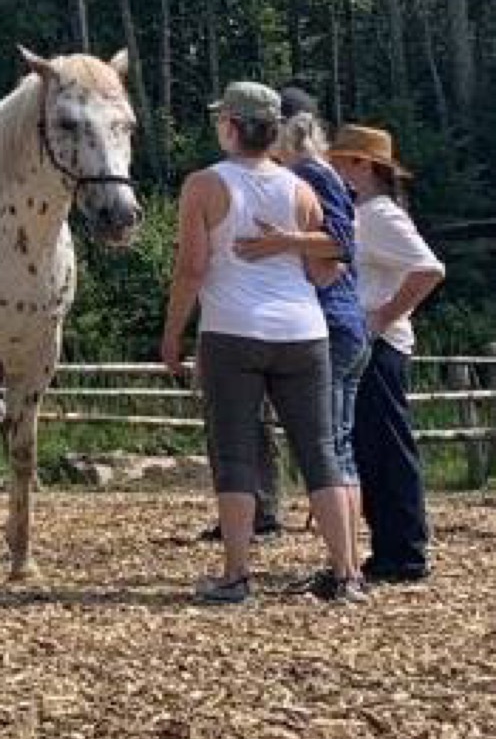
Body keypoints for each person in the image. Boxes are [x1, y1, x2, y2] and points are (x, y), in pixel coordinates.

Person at [161, 80, 361, 604]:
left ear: (230, 126)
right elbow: (325, 272)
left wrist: (172, 333)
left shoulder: (204, 185)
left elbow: (192, 268)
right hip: (303, 331)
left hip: (231, 329)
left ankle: (236, 574)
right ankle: (345, 573)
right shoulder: (302, 189)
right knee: (320, 451)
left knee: (236, 453)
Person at [233, 95, 371, 570]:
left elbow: (339, 244)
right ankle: (347, 564)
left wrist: (280, 242)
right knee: (339, 448)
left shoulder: (309, 174)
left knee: (330, 452)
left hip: (331, 321)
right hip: (343, 320)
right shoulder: (317, 173)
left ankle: (345, 568)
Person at [328, 123, 445, 584]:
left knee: (387, 446)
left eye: (342, 161)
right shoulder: (369, 212)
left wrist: (380, 317)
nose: (335, 168)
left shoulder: (379, 214)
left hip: (381, 345)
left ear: (361, 165)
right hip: (370, 343)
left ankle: (405, 550)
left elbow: (428, 269)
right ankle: (392, 545)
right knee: (371, 446)